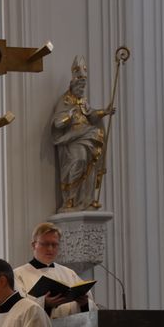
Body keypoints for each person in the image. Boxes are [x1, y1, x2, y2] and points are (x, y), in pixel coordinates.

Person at [52, 55, 114, 211]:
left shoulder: (83, 101)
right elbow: (57, 123)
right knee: (78, 162)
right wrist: (69, 116)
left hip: (88, 135)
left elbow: (91, 115)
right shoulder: (65, 101)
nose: (82, 89)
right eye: (80, 85)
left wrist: (104, 112)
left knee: (90, 164)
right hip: (73, 139)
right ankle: (70, 199)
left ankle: (86, 200)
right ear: (73, 84)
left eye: (83, 85)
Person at [14, 222, 97, 319]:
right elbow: (18, 309)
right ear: (33, 245)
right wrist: (45, 304)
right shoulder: (18, 275)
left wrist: (84, 304)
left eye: (54, 244)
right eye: (45, 244)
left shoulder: (69, 273)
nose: (50, 249)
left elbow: (91, 307)